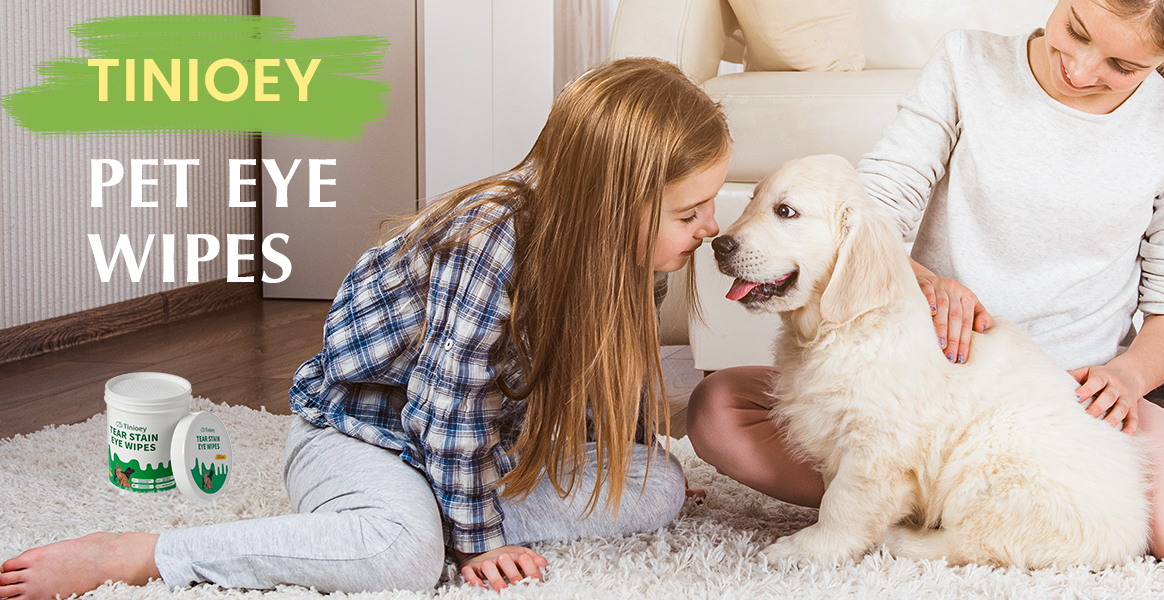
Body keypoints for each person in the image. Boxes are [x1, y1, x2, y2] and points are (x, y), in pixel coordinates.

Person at [0, 57, 729, 599]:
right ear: (611, 201)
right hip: (360, 436)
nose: (711, 227)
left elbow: (612, 375)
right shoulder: (491, 240)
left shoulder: (622, 250)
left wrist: (623, 462)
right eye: (689, 212)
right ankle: (143, 553)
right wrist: (474, 543)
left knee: (657, 486)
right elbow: (449, 408)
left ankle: (437, 502)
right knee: (406, 559)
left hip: (478, 446)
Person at [688, 0, 1164, 572]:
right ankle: (918, 492)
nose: (1079, 70)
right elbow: (878, 207)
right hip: (923, 382)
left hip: (1069, 406)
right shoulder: (968, 64)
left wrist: (1128, 377)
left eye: (1121, 66)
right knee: (719, 414)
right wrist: (925, 281)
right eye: (1076, 30)